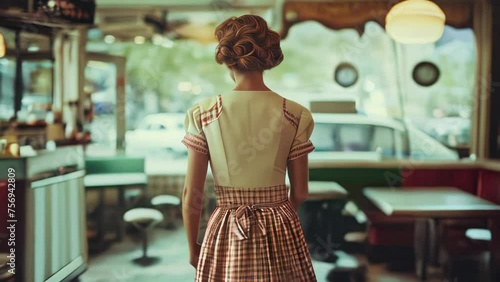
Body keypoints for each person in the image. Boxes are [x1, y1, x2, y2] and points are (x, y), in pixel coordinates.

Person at [181, 14, 317, 281]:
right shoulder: (296, 114)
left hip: (226, 228)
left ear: (227, 59)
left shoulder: (203, 114)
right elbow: (300, 192)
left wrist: (193, 248)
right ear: (268, 57)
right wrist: (278, 215)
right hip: (280, 224)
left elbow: (191, 193)